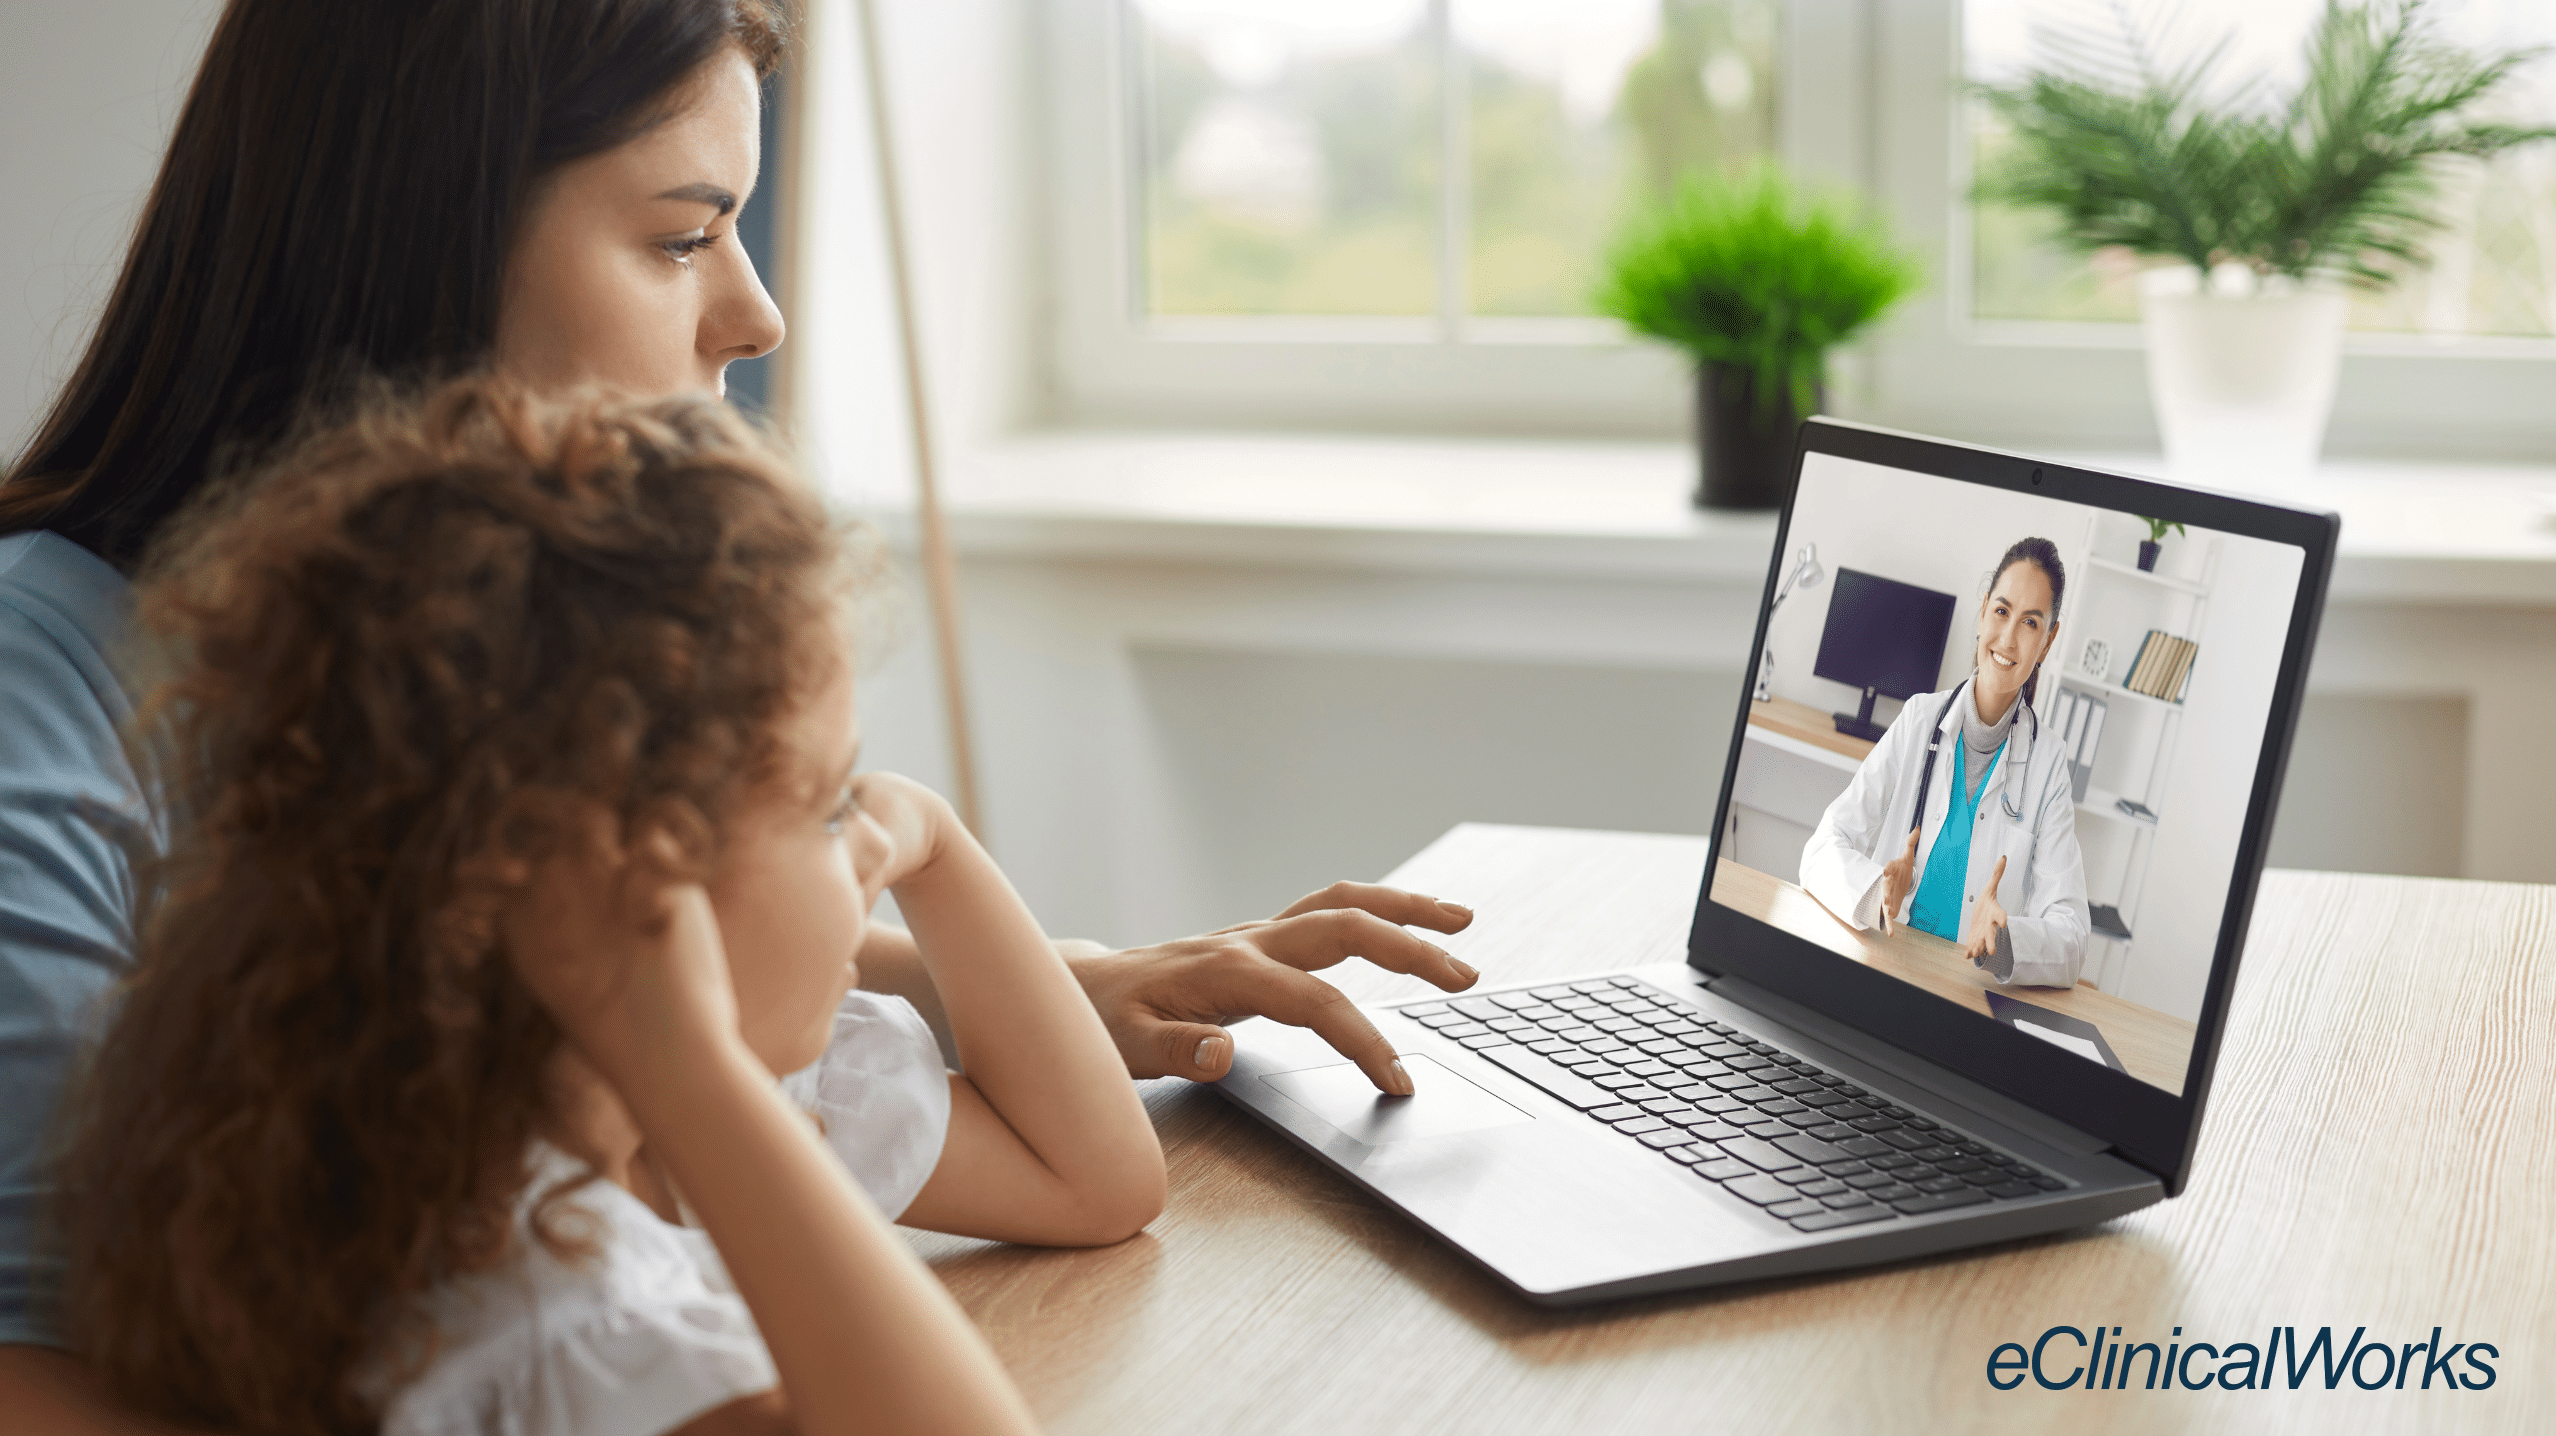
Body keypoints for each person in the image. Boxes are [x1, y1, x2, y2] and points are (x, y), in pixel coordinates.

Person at [0, 2, 1475, 1429]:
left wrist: (988, 977)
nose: (756, 315)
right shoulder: (39, 710)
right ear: (409, 242)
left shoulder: (512, 869)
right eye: (683, 235)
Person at [59, 377, 1150, 1436]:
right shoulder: (545, 1305)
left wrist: (938, 843)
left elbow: (1099, 1182)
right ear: (632, 890)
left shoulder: (742, 1104)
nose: (867, 845)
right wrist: (699, 1077)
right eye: (826, 807)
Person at [1798, 538, 2091, 986]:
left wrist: (2005, 938)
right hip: (1882, 969)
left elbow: (2072, 937)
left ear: (2047, 643)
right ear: (1982, 613)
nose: (2009, 638)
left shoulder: (2047, 763)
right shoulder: (1919, 719)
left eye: (2031, 623)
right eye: (2001, 611)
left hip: (1964, 993)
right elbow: (1820, 849)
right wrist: (1876, 889)